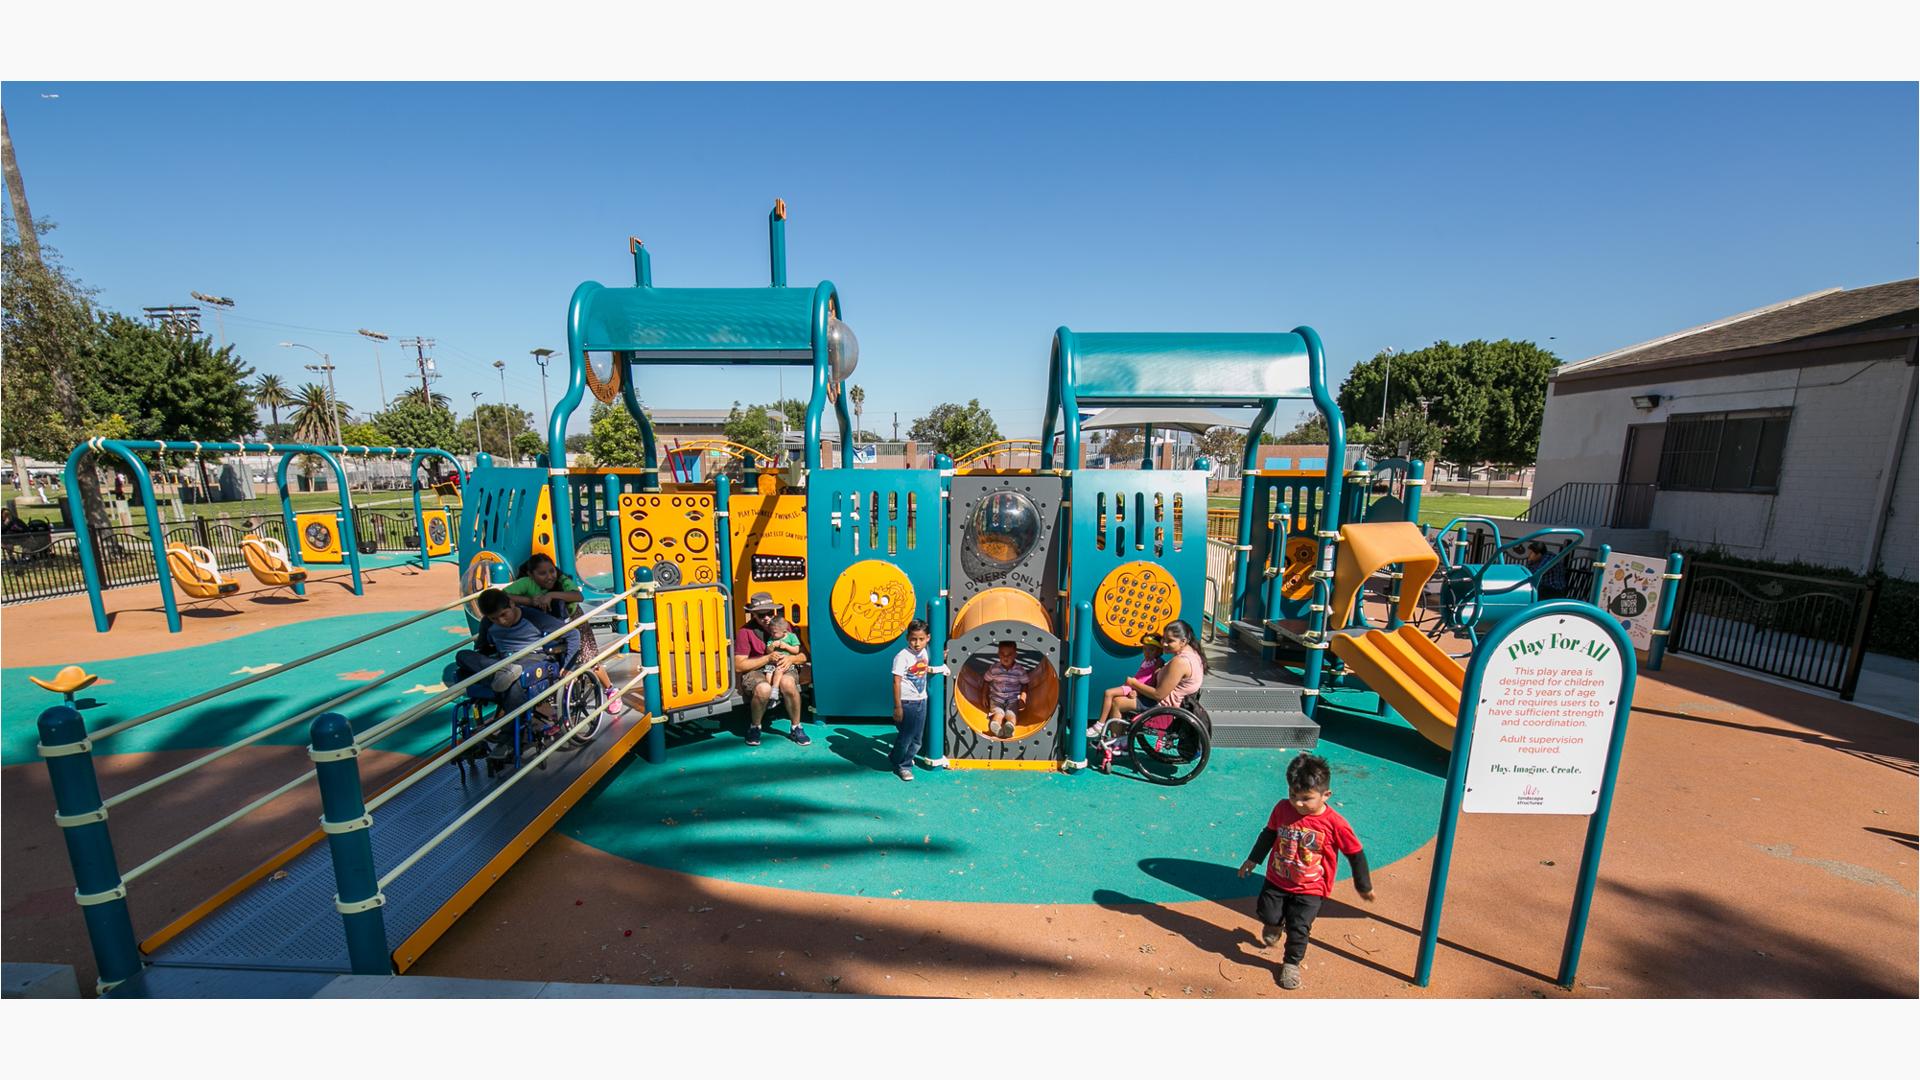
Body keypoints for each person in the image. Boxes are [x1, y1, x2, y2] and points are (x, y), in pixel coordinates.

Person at [1236, 752, 1375, 991]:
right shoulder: (1282, 808)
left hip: (1311, 888)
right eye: (1293, 795)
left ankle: (1291, 963)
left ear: (1326, 795)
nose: (1298, 803)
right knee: (1267, 913)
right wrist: (1253, 859)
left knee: (1299, 927)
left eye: (1306, 798)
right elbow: (1269, 834)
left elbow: (1355, 853)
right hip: (1277, 879)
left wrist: (1363, 885)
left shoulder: (1335, 824)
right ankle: (1273, 924)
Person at [458, 588, 580, 763]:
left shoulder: (534, 617)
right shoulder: (487, 622)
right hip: (501, 662)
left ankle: (507, 740)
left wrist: (568, 666)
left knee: (512, 682)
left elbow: (573, 634)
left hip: (531, 659)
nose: (500, 621)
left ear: (512, 604)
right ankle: (500, 672)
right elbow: (481, 648)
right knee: (462, 656)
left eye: (503, 615)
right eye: (494, 619)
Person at [504, 552, 621, 715]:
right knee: (551, 662)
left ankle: (610, 690)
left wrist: (550, 595)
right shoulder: (527, 583)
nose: (549, 577)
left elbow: (578, 596)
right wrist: (530, 601)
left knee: (589, 659)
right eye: (542, 573)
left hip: (574, 622)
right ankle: (551, 703)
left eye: (551, 571)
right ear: (531, 574)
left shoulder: (561, 580)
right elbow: (503, 596)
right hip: (547, 628)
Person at [735, 591, 808, 747]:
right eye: (761, 615)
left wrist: (791, 658)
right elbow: (739, 665)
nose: (767, 617)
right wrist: (767, 658)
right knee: (763, 689)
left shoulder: (784, 626)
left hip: (783, 667)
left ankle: (796, 727)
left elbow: (804, 655)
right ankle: (755, 727)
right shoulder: (745, 632)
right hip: (757, 670)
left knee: (788, 683)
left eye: (769, 612)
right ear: (753, 614)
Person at [889, 619, 933, 781]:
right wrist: (898, 706)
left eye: (921, 639)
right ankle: (903, 766)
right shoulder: (902, 656)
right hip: (907, 702)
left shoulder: (926, 652)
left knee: (917, 738)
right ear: (907, 638)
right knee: (907, 737)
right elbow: (896, 681)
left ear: (928, 638)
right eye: (913, 639)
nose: (917, 643)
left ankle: (895, 757)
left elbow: (931, 662)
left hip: (922, 700)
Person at [1095, 633, 1163, 733]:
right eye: (1145, 649)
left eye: (1151, 650)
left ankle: (1100, 725)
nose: (1147, 652)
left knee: (1109, 693)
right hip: (1132, 686)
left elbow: (1152, 682)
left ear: (1159, 651)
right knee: (1112, 697)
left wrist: (1138, 692)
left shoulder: (1158, 663)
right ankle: (1111, 730)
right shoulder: (1146, 661)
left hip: (1135, 688)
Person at [981, 640, 1031, 739]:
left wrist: (1023, 698)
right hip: (996, 698)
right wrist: (984, 696)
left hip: (1013, 699)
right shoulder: (994, 669)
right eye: (1002, 654)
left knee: (1011, 714)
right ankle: (996, 727)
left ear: (1015, 655)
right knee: (998, 713)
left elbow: (1025, 684)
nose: (1005, 657)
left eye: (1009, 654)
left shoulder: (1020, 670)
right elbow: (986, 681)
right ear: (998, 654)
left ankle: (1010, 726)